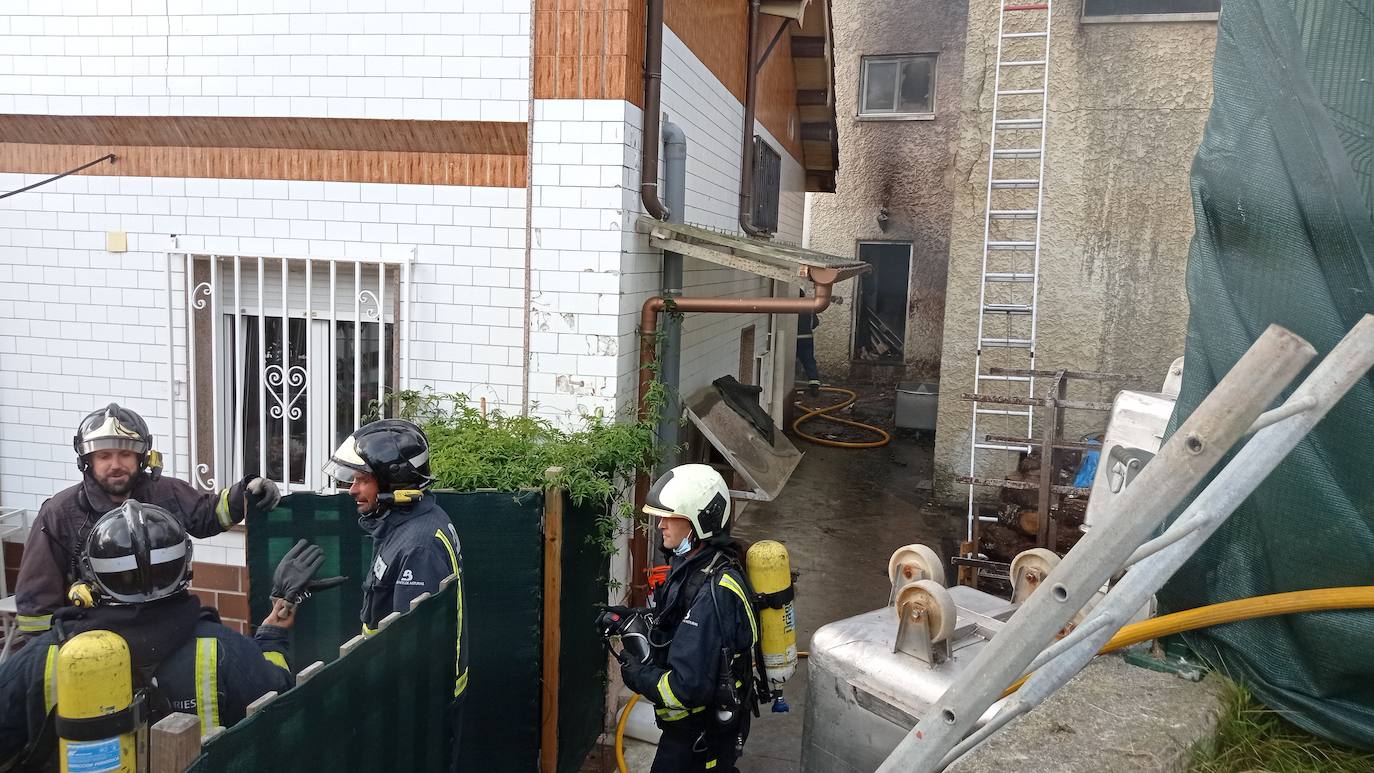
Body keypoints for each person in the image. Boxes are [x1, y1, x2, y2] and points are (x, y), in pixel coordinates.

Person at [0, 500, 337, 767]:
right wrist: (272, 634)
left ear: (92, 578)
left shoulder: (41, 658)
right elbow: (278, 698)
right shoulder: (221, 650)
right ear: (184, 569)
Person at [14, 404, 281, 637]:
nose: (115, 464)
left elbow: (207, 515)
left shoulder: (165, 493)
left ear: (143, 458)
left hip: (166, 625)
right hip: (94, 639)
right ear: (87, 461)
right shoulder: (59, 513)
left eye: (125, 454)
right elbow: (36, 608)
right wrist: (54, 659)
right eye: (104, 456)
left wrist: (247, 492)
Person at [323, 418, 468, 770]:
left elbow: (409, 652)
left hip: (412, 710)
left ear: (394, 483)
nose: (353, 490)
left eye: (363, 480)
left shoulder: (418, 547)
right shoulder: (406, 524)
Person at [619, 464, 762, 773]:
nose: (660, 526)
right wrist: (632, 618)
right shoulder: (696, 565)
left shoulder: (712, 591)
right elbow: (678, 624)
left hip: (697, 735)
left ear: (699, 521)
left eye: (670, 517)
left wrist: (636, 676)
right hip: (696, 733)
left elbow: (686, 688)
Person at [796, 291, 822, 396]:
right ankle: (814, 386)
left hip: (793, 338)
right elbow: (815, 323)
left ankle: (786, 384)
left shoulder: (788, 304)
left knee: (788, 361)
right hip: (807, 338)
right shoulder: (809, 306)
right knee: (809, 362)